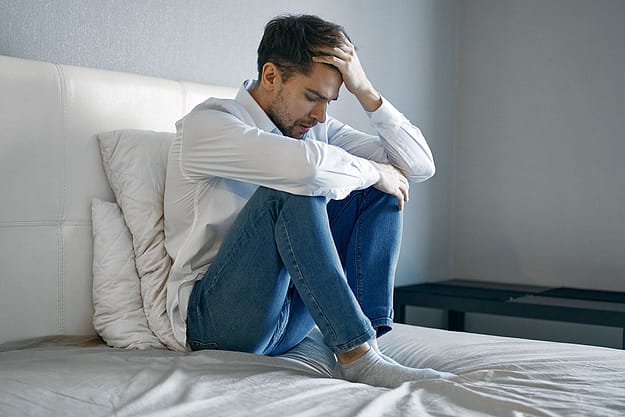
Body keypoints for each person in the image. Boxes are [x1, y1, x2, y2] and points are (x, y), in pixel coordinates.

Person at [164, 14, 454, 388]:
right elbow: (305, 171)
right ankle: (358, 356)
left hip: (291, 320)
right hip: (217, 320)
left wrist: (366, 91)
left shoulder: (318, 130)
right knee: (293, 188)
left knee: (381, 190)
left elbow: (417, 166)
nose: (320, 115)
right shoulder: (208, 125)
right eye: (312, 97)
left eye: (329, 101)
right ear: (271, 76)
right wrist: (373, 171)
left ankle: (368, 346)